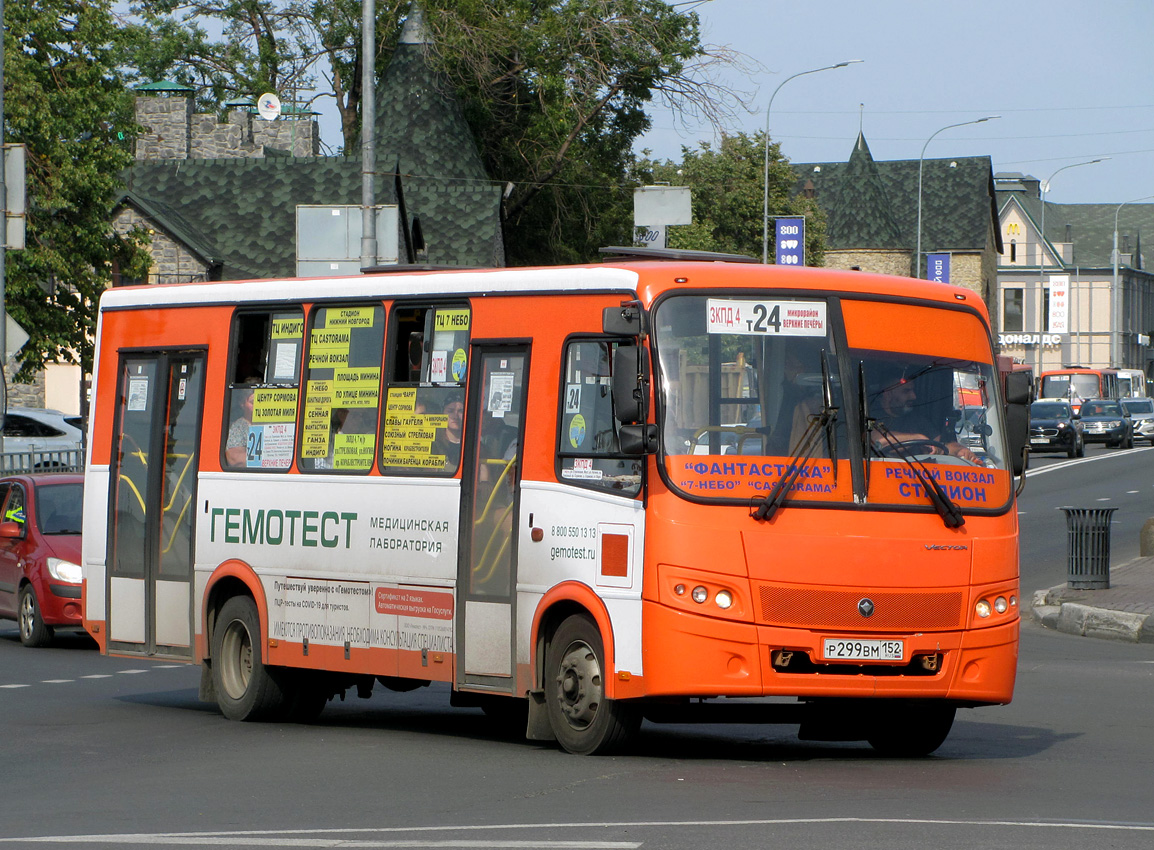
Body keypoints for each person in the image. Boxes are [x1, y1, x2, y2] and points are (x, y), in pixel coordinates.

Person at [873, 366, 979, 464]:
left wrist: (959, 450)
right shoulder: (871, 418)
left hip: (920, 478)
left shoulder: (917, 420)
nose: (913, 396)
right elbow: (878, 441)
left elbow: (942, 445)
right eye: (906, 391)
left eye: (913, 390)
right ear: (887, 394)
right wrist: (919, 438)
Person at [431, 394, 464, 469]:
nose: (455, 416)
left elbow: (484, 479)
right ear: (443, 414)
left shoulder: (475, 446)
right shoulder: (434, 445)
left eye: (460, 411)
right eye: (450, 411)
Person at [225, 387, 255, 467]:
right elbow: (234, 459)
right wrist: (268, 458)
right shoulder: (239, 427)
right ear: (242, 404)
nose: (257, 406)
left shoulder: (270, 424)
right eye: (253, 402)